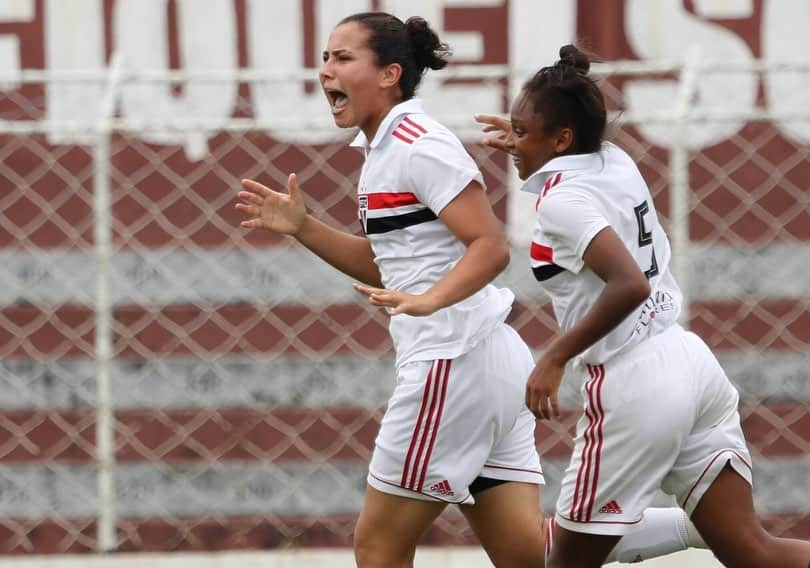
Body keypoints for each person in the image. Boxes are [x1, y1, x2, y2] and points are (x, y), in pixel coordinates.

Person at [236, 12, 706, 567]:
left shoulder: (416, 144)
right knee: (529, 554)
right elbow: (390, 266)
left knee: (378, 544)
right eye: (325, 58)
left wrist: (432, 302)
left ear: (389, 74)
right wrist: (305, 228)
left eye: (342, 58)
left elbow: (489, 245)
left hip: (450, 362)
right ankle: (708, 528)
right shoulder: (384, 153)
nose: (325, 71)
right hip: (485, 363)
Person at [476, 44, 810, 568]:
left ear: (561, 138)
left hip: (633, 382)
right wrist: (528, 140)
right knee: (749, 548)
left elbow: (628, 285)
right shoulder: (614, 159)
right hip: (689, 362)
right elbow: (576, 168)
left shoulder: (561, 202)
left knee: (561, 561)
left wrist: (553, 357)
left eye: (520, 132)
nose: (510, 142)